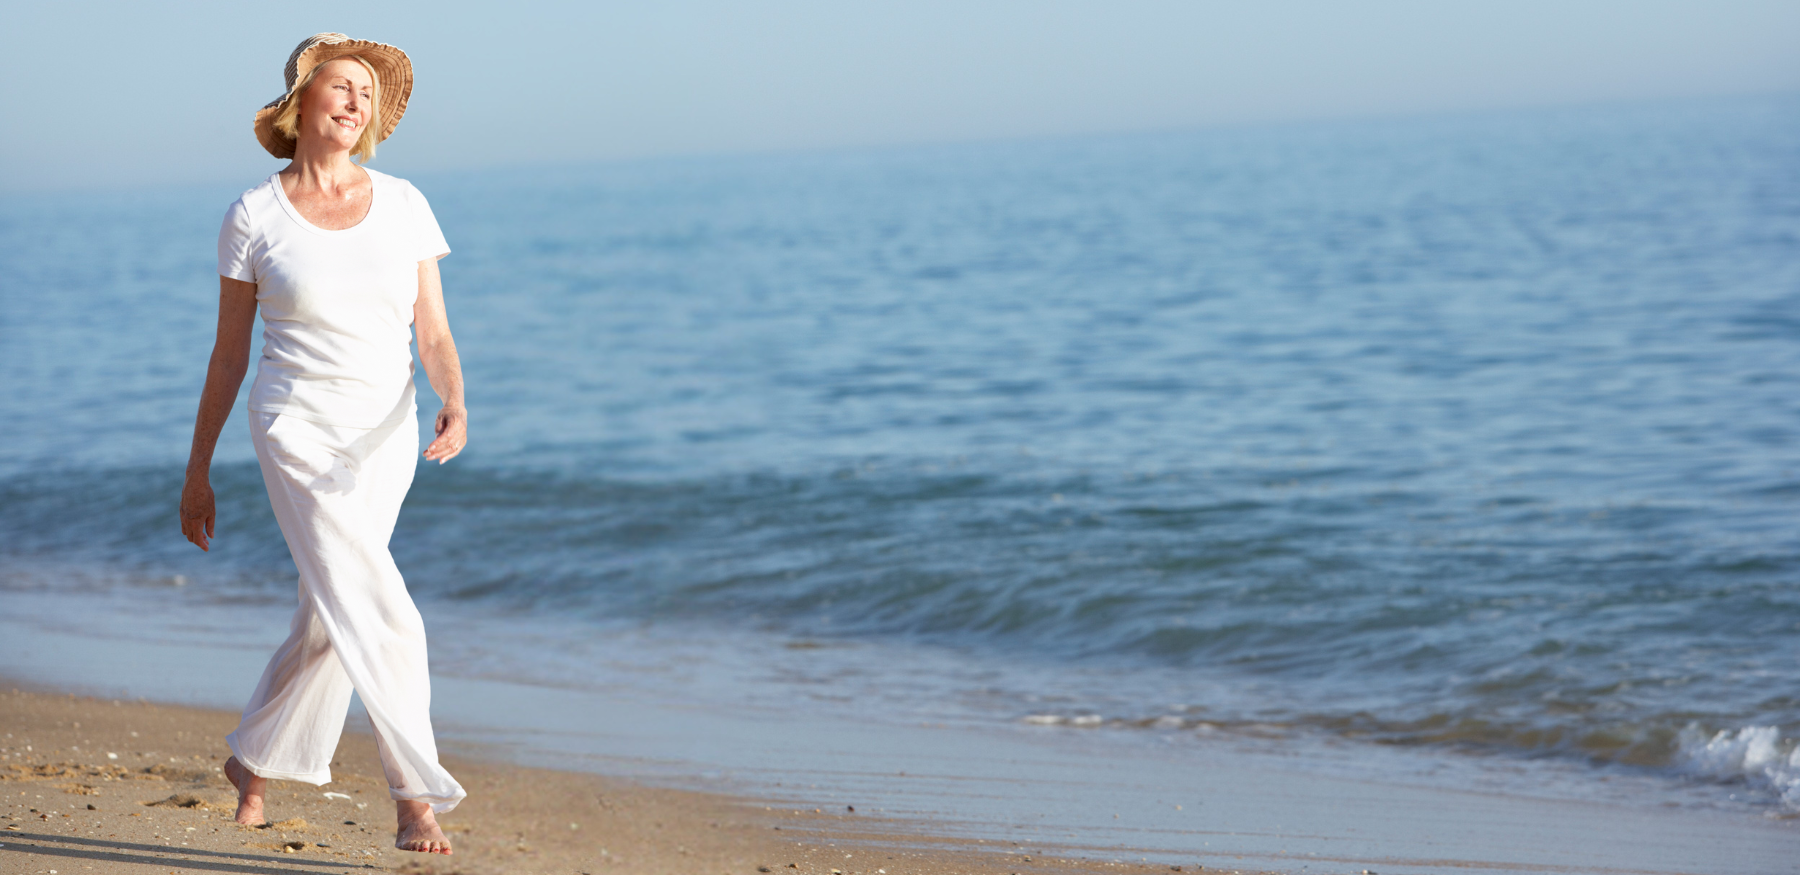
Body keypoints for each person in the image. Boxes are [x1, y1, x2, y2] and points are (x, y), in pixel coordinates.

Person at [179, 32, 466, 856]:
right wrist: (198, 468)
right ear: (301, 99)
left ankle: (253, 762)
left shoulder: (406, 203)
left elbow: (434, 331)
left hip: (385, 429)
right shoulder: (253, 215)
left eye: (367, 95)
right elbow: (229, 352)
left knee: (330, 605)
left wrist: (455, 399)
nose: (355, 102)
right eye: (341, 87)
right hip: (293, 423)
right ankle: (415, 796)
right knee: (380, 606)